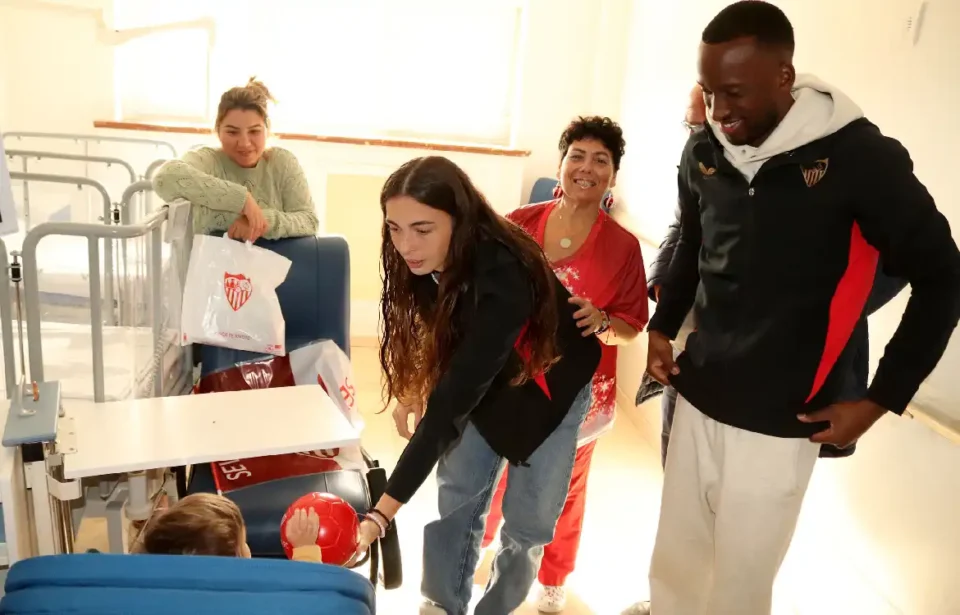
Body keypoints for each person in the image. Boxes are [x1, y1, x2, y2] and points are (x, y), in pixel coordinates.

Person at [636, 2, 960, 614]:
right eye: (708, 91)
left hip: (783, 421)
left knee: (739, 586)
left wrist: (879, 399)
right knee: (675, 567)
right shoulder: (704, 151)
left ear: (784, 76)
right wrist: (663, 324)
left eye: (734, 92)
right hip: (697, 390)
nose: (719, 110)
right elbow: (695, 243)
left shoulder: (859, 158)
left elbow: (944, 277)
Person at [348, 156, 602, 615]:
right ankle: (442, 605)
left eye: (422, 229)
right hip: (487, 374)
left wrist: (380, 514)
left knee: (530, 522)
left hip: (550, 390)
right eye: (395, 228)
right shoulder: (422, 259)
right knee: (458, 494)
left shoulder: (502, 273)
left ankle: (496, 608)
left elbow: (449, 407)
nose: (406, 244)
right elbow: (441, 333)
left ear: (459, 221)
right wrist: (411, 387)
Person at [641, 85, 909, 468]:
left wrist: (826, 312)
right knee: (680, 475)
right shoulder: (705, 164)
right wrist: (663, 305)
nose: (707, 133)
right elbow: (685, 229)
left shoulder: (821, 175)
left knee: (751, 508)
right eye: (694, 125)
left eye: (720, 121)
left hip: (776, 393)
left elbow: (912, 267)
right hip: (694, 361)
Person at [479, 116, 649, 613]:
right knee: (494, 473)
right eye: (577, 155)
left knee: (563, 492)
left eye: (601, 160)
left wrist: (601, 320)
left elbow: (631, 325)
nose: (586, 168)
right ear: (560, 163)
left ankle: (553, 577)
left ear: (613, 176)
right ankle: (481, 547)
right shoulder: (518, 223)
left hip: (578, 394)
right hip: (511, 382)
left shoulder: (623, 248)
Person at [153, 77, 319, 242]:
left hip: (277, 265)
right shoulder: (208, 160)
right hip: (214, 265)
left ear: (267, 130)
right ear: (218, 131)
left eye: (254, 132)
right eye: (232, 132)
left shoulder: (283, 162)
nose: (245, 143)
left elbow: (309, 221)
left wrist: (260, 221)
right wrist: (242, 199)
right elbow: (164, 177)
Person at [132, 493, 324, 563]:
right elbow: (303, 602)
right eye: (244, 543)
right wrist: (305, 551)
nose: (248, 548)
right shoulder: (248, 597)